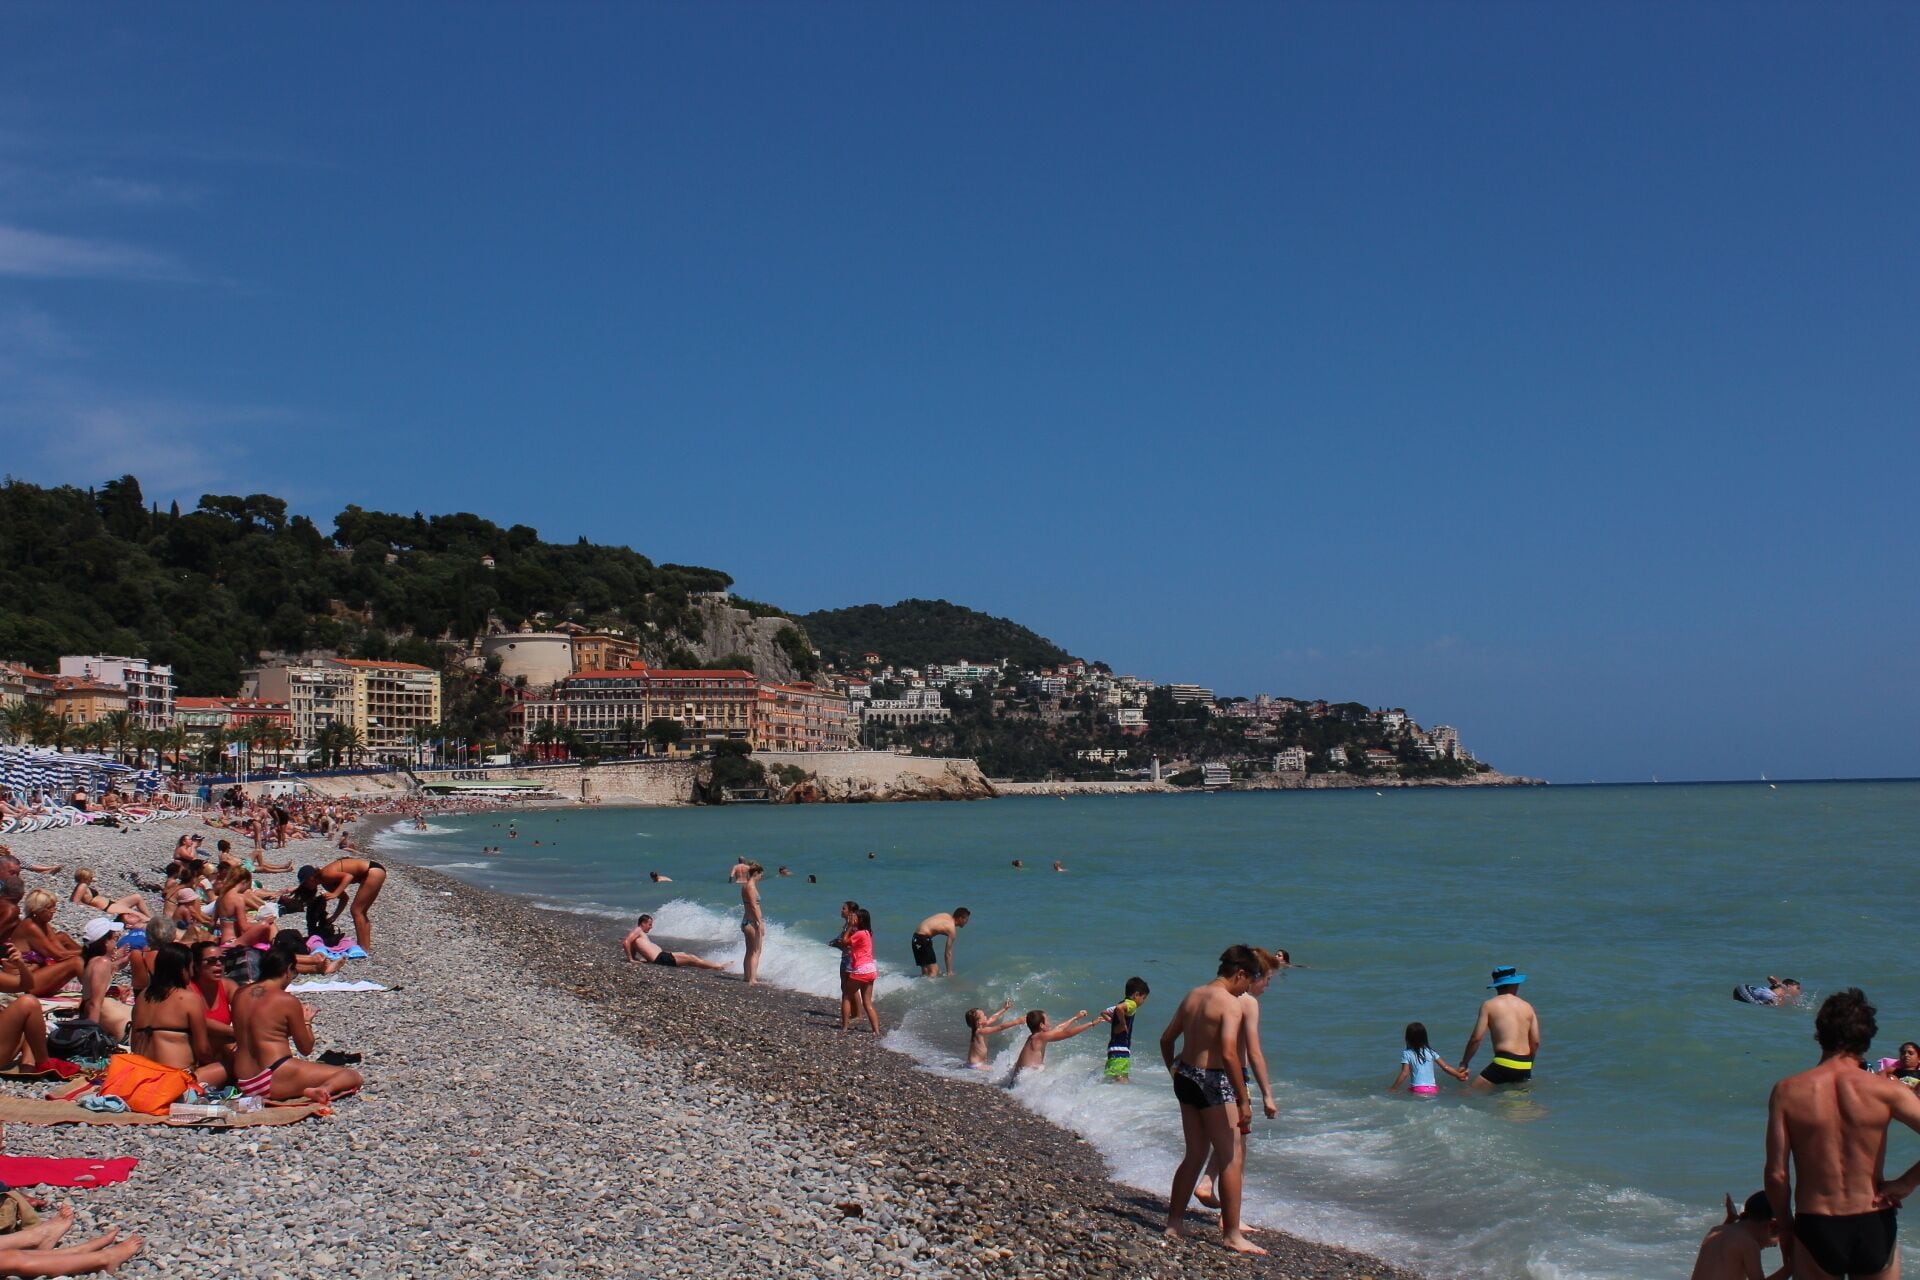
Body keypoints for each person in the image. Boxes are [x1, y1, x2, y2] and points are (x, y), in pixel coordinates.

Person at [1765, 987, 1920, 1280]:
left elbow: (1777, 1174)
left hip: (1817, 1224)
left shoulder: (1787, 1091)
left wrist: (1785, 1228)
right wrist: (1906, 1183)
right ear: (1867, 1037)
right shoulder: (1887, 1091)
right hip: (1874, 1217)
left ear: (1820, 1031)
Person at [1161, 944, 1265, 1255]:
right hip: (1214, 1081)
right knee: (1230, 1156)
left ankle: (1174, 1222)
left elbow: (1167, 1039)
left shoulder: (1194, 994)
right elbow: (1231, 1054)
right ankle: (1232, 1234)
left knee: (1194, 1153)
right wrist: (1244, 1099)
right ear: (1240, 973)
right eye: (1248, 982)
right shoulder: (1229, 1004)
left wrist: (1172, 1071)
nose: (1247, 989)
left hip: (1186, 1076)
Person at [1194, 949, 1280, 1211]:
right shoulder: (1248, 1002)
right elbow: (1253, 1053)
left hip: (1206, 1074)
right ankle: (1229, 1214)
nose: (1268, 986)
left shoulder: (1220, 996)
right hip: (1235, 1077)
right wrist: (1267, 1094)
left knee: (1226, 1142)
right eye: (1267, 980)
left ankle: (1208, 1181)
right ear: (1255, 977)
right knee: (1237, 1150)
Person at [232, 948, 363, 1104]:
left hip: (243, 1080)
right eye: (294, 974)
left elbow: (262, 1031)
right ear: (288, 970)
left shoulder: (239, 994)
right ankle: (324, 1089)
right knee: (351, 1075)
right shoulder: (286, 1001)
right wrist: (306, 1020)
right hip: (275, 1073)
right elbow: (305, 1048)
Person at [128, 942, 225, 1088]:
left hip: (142, 1077)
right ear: (182, 970)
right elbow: (203, 1050)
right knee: (229, 1064)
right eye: (190, 967)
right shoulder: (189, 999)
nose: (192, 973)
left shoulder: (142, 997)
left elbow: (134, 1044)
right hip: (175, 1079)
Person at [1461, 966, 1540, 1086]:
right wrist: (1528, 1065)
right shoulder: (1528, 1007)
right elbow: (1535, 1042)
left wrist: (1464, 1063)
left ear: (1497, 985)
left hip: (1504, 1062)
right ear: (1514, 984)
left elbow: (1476, 1039)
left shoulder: (1489, 1005)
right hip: (1525, 1064)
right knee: (1516, 1101)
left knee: (1469, 1093)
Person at [1691, 1191, 1786, 1280]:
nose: (1775, 1245)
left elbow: (1721, 1260)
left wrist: (1730, 1219)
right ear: (1772, 1225)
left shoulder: (1715, 1231)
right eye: (1774, 1244)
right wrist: (1792, 1265)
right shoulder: (1749, 1244)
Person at [1005, 1007, 1100, 1085]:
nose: (1050, 1023)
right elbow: (1067, 1033)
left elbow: (1058, 1028)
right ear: (1042, 1025)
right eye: (1048, 1020)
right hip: (1023, 1082)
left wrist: (1076, 1017)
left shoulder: (1034, 1037)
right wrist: (1091, 1023)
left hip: (1018, 1079)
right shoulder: (1040, 1037)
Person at [311, 856, 388, 950]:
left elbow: (348, 876)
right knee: (362, 912)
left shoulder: (325, 874)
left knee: (356, 911)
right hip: (376, 871)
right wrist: (334, 916)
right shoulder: (325, 883)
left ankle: (362, 947)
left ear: (311, 878)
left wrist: (336, 893)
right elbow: (344, 899)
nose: (308, 887)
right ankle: (366, 947)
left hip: (372, 871)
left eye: (305, 883)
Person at [1389, 1021, 1469, 1095]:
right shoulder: (1431, 1052)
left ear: (1408, 1038)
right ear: (1424, 1037)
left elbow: (1405, 1073)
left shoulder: (1407, 1053)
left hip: (1417, 1089)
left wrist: (1393, 1088)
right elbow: (1445, 1067)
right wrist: (1459, 1075)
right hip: (1432, 1089)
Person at [622, 915, 727, 971]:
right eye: (649, 924)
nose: (651, 926)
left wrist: (636, 958)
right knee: (691, 959)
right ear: (643, 923)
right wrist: (631, 959)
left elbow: (632, 945)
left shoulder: (638, 935)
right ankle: (718, 967)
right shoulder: (638, 930)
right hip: (661, 959)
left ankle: (716, 965)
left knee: (689, 956)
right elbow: (626, 941)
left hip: (663, 956)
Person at [1099, 977, 1151, 1084]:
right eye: (1144, 998)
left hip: (1113, 1048)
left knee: (1115, 1079)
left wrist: (1114, 1022)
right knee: (1121, 1080)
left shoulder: (1123, 1003)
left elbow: (1104, 1012)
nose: (1143, 1001)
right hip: (1121, 1048)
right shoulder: (1132, 1004)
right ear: (1136, 995)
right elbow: (1119, 1008)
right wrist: (1122, 1024)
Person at [843, 908, 880, 1033]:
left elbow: (844, 941)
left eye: (855, 918)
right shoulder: (868, 932)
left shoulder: (858, 933)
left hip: (861, 970)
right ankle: (876, 1030)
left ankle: (844, 1027)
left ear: (861, 920)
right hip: (871, 969)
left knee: (847, 996)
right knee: (867, 1002)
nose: (853, 919)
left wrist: (849, 926)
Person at [911, 908, 969, 978]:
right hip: (923, 939)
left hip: (915, 938)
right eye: (966, 919)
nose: (966, 922)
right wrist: (949, 972)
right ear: (960, 918)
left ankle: (919, 987)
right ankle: (928, 988)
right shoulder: (952, 930)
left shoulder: (945, 915)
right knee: (934, 971)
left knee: (926, 971)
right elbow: (948, 953)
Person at [965, 999, 1022, 1070]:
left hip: (974, 1063)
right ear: (979, 1022)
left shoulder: (979, 1028)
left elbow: (993, 1018)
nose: (986, 1016)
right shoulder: (981, 1031)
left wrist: (1004, 1009)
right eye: (984, 1015)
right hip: (976, 1065)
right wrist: (1017, 1021)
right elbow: (1000, 1027)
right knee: (997, 1070)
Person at [739, 861, 765, 985]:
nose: (761, 877)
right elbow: (754, 907)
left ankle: (747, 976)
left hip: (747, 920)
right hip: (752, 922)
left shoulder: (745, 886)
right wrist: (759, 923)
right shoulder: (750, 887)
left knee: (749, 950)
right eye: (761, 874)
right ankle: (752, 978)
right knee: (756, 951)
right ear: (756, 873)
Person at [1735, 977, 1803, 1007]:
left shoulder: (1777, 996)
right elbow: (1770, 977)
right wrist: (1782, 985)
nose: (1799, 992)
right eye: (1798, 988)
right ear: (1789, 986)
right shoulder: (1770, 995)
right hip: (1743, 992)